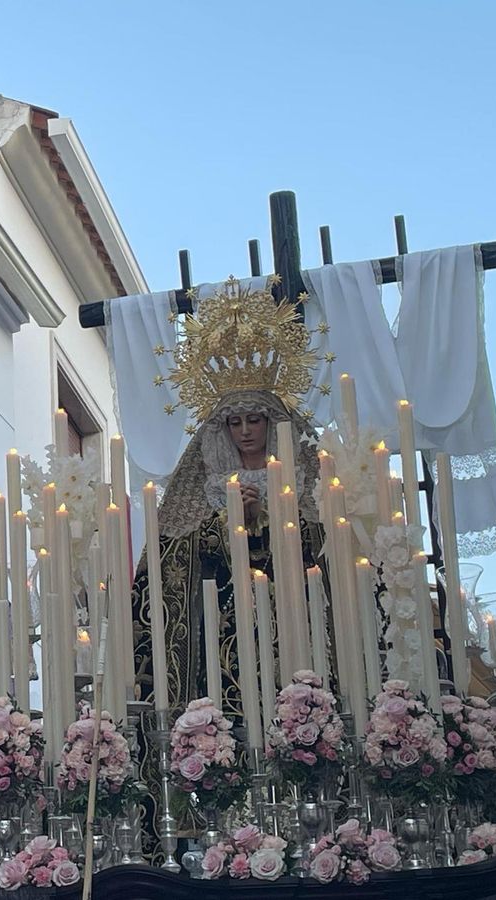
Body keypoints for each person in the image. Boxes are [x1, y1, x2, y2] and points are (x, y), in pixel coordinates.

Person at [131, 280, 326, 724]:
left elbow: (332, 543)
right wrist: (228, 524)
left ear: (272, 422)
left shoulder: (305, 476)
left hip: (300, 619)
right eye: (234, 421)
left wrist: (278, 518)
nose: (245, 430)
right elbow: (169, 559)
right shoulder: (203, 482)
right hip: (224, 628)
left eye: (254, 419)